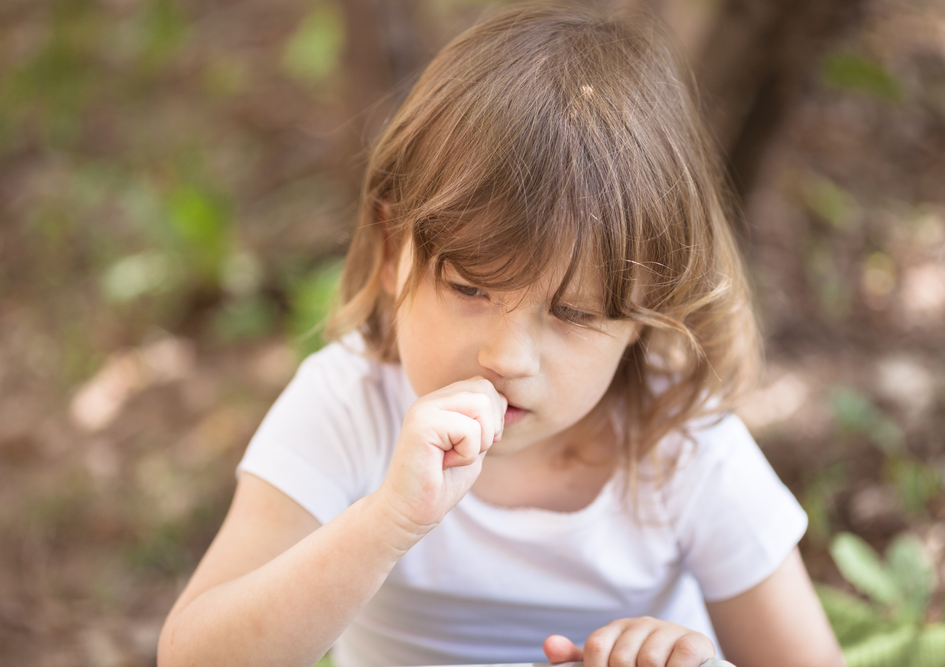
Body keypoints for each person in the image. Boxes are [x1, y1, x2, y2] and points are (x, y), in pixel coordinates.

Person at [158, 4, 845, 667]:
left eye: (573, 315)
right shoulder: (349, 405)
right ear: (395, 248)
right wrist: (388, 520)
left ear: (643, 314)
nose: (506, 358)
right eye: (469, 290)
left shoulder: (681, 448)